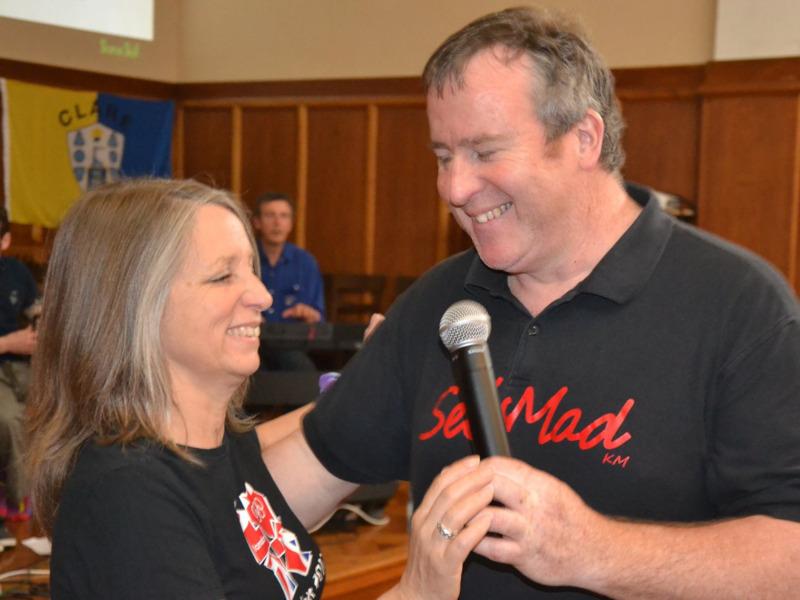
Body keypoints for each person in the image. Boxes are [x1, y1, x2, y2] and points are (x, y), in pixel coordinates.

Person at [260, 6, 800, 599]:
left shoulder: (740, 307)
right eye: (443, 156)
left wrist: (594, 551)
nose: (454, 188)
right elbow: (288, 484)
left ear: (583, 139)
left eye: (485, 151)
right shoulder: (440, 305)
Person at [23, 178, 493, 600]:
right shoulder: (127, 497)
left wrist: (381, 375)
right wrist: (417, 593)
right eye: (222, 275)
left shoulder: (219, 451)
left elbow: (333, 437)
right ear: (133, 306)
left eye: (251, 270)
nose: (263, 297)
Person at [0, 205, 40, 543]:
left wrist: (43, 320)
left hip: (20, 368)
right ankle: (16, 503)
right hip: (4, 363)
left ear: (6, 241)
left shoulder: (16, 272)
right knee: (10, 419)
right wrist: (8, 343)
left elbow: (37, 308)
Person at [253, 192, 326, 371]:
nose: (277, 223)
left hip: (292, 348)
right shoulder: (246, 257)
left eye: (284, 216)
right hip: (253, 343)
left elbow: (320, 318)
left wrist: (309, 314)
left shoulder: (306, 262)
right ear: (257, 222)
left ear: (291, 224)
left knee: (303, 370)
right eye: (270, 216)